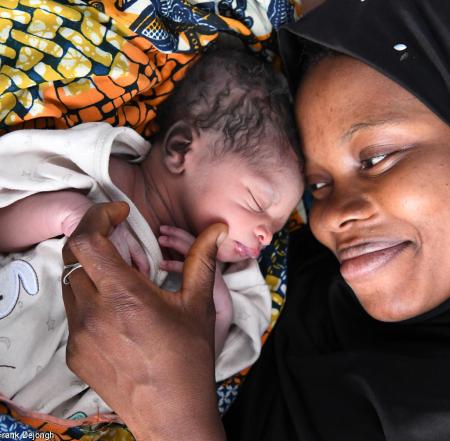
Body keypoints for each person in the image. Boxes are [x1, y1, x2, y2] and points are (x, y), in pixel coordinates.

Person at [57, 0, 450, 441]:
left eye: (377, 159)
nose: (332, 217)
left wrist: (173, 422)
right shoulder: (301, 281)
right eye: (317, 186)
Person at [0, 47, 302, 418]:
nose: (267, 236)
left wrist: (216, 309)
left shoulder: (204, 282)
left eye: (276, 226)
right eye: (258, 202)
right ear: (181, 150)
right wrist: (71, 214)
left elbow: (191, 376)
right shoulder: (101, 175)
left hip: (36, 425)